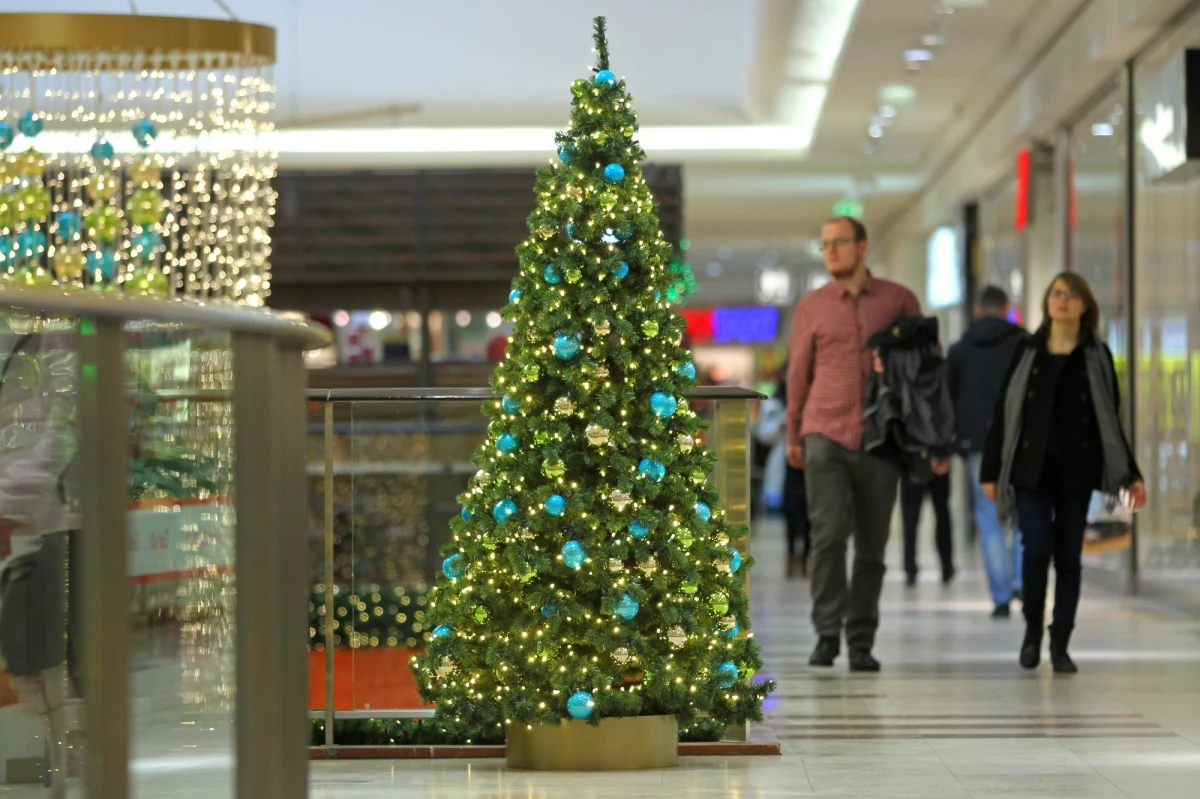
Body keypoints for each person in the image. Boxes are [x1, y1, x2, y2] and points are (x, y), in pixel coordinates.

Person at [786, 216, 947, 672]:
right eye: (824, 244)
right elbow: (798, 371)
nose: (830, 250)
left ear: (861, 246)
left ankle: (860, 640)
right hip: (825, 432)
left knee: (873, 545)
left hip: (882, 437)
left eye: (838, 242)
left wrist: (930, 433)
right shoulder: (813, 305)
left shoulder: (898, 300)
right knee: (829, 535)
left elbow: (929, 365)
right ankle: (826, 633)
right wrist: (794, 431)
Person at [980, 273, 1145, 673]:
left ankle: (1060, 641)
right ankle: (1032, 630)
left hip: (1077, 471)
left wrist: (1131, 474)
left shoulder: (1097, 355)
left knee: (1069, 555)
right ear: (1047, 302)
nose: (1062, 300)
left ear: (1084, 305)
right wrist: (991, 470)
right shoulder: (1027, 350)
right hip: (1030, 469)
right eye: (1056, 293)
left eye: (1070, 295)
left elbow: (1111, 421)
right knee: (1036, 548)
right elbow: (1005, 411)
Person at [0, 318, 78, 799]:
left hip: (32, 522)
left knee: (34, 658)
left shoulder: (50, 330)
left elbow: (64, 426)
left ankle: (58, 769)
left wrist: (10, 507)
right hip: (24, 513)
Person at [947, 285, 1028, 616]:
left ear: (978, 310)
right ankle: (1023, 581)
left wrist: (954, 439)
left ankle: (1001, 597)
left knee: (988, 515)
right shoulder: (1024, 344)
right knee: (1024, 511)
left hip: (978, 442)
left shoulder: (960, 349)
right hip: (1020, 440)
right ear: (1007, 308)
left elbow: (950, 398)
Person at [754, 375, 811, 578]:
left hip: (808, 462)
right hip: (785, 464)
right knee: (791, 512)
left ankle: (806, 559)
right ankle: (791, 557)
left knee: (808, 513)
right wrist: (780, 427)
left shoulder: (811, 399)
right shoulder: (774, 406)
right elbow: (763, 434)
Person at [900, 472, 953, 586]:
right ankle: (946, 566)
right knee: (941, 515)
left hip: (912, 468)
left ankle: (910, 568)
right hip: (934, 468)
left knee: (911, 520)